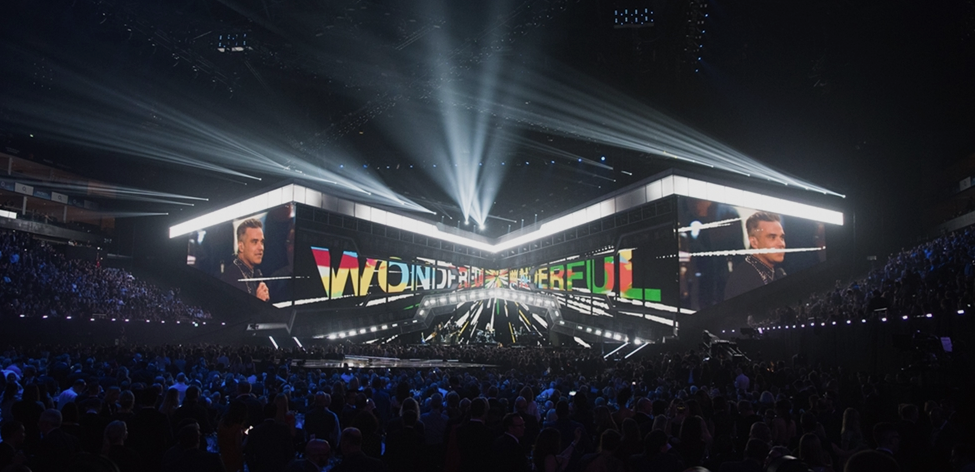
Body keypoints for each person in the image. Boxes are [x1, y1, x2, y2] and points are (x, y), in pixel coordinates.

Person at [724, 211, 787, 300]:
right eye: (772, 237)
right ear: (754, 242)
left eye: (782, 237)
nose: (781, 244)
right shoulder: (742, 280)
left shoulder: (778, 273)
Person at [220, 218, 270, 301]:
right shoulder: (230, 279)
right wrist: (258, 302)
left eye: (262, 242)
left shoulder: (256, 274)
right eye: (254, 242)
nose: (261, 247)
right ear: (241, 246)